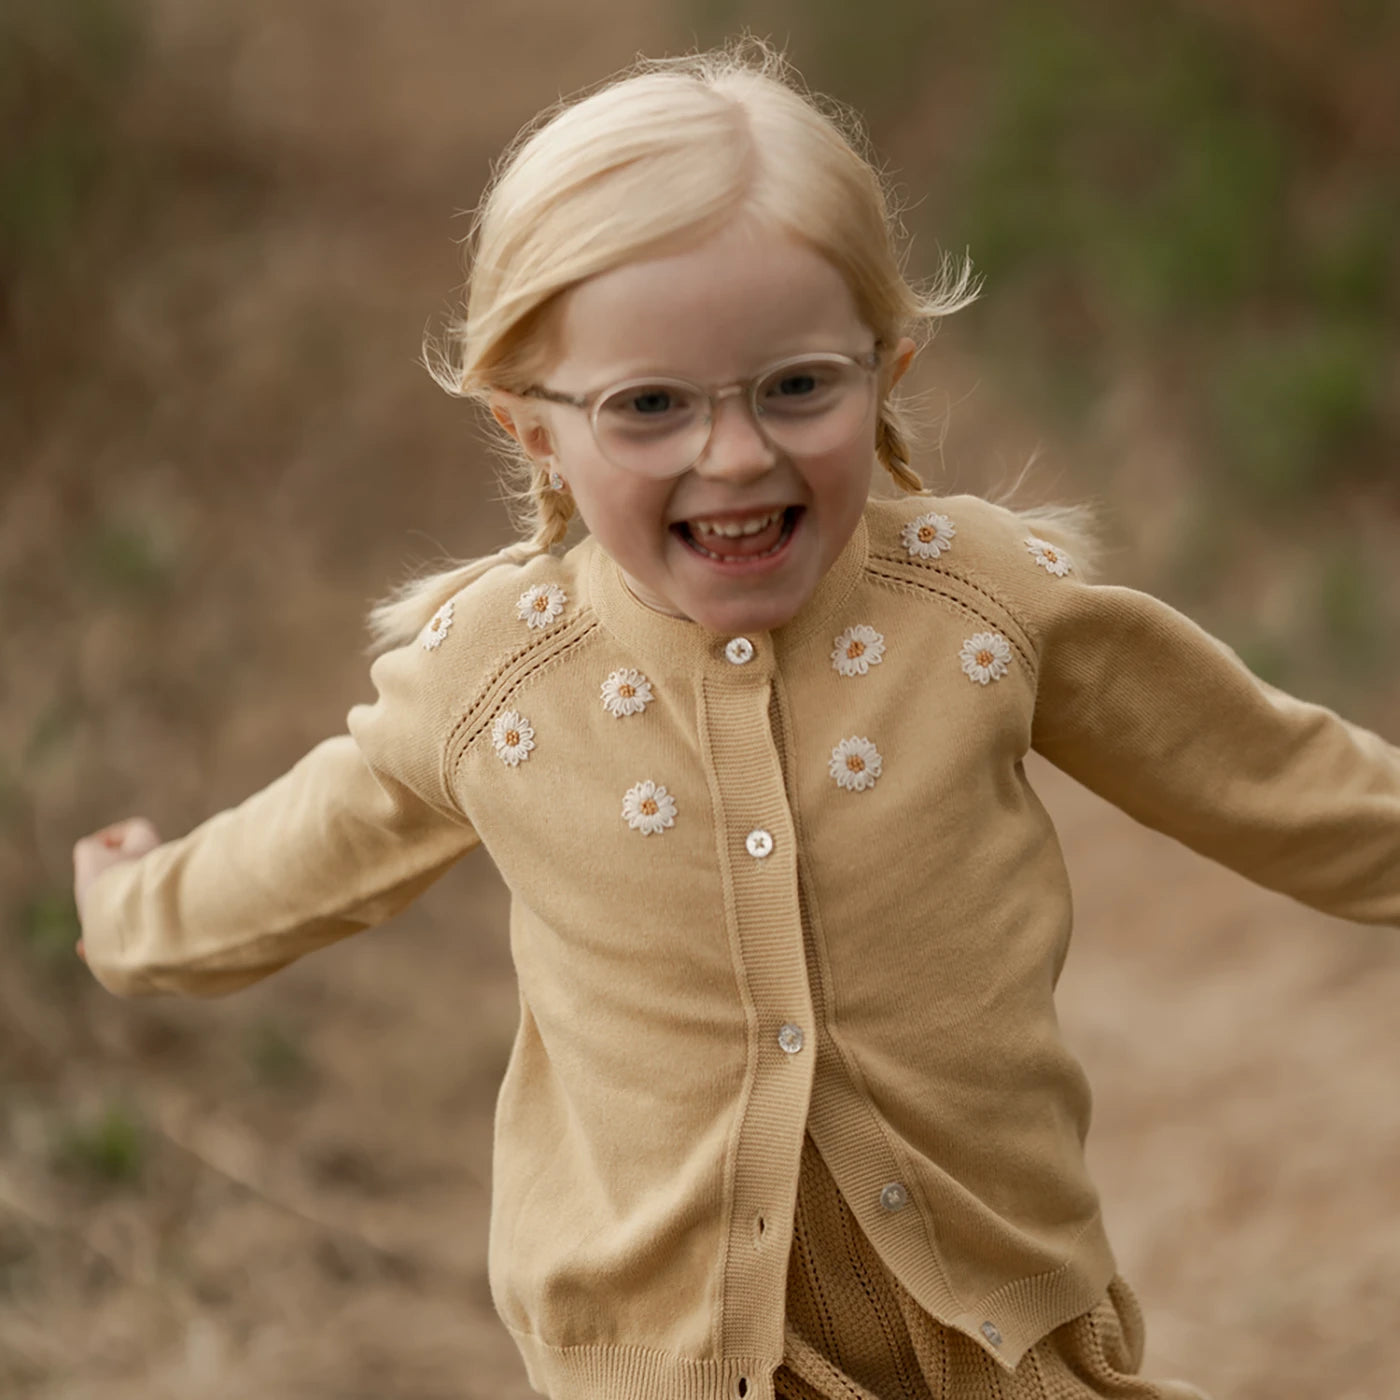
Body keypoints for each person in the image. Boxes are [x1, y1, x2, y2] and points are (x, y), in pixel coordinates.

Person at [71, 39, 1398, 1400]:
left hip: (1001, 1335)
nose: (737, 453)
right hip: (672, 1365)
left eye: (797, 386)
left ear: (885, 368)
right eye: (649, 406)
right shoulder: (493, 683)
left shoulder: (980, 609)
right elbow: (298, 855)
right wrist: (130, 911)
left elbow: (1273, 776)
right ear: (535, 431)